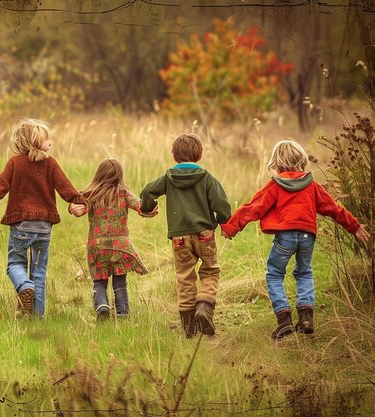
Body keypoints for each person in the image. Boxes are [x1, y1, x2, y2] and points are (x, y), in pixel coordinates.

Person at [220, 140, 370, 340]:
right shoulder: (312, 185)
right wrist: (355, 226)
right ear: (301, 160)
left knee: (274, 274)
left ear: (277, 163)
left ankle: (284, 320)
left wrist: (232, 227)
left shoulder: (276, 185)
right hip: (308, 236)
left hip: (285, 237)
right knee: (304, 272)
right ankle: (306, 317)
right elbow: (334, 208)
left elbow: (253, 207)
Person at [0, 117, 85, 318]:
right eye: (46, 139)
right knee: (39, 272)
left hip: (21, 226)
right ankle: (37, 317)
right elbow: (65, 186)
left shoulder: (14, 163)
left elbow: (0, 186)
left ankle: (24, 286)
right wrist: (77, 200)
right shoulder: (51, 164)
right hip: (43, 228)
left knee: (15, 264)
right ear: (33, 142)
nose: (50, 142)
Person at [140, 133, 231, 338]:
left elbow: (147, 192)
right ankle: (204, 308)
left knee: (185, 276)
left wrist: (148, 208)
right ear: (199, 155)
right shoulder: (207, 178)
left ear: (174, 156)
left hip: (179, 237)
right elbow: (222, 204)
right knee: (210, 271)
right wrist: (225, 222)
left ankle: (189, 327)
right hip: (205, 233)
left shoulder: (168, 177)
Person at [70, 158, 157, 319]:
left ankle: (102, 306)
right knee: (120, 281)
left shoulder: (91, 195)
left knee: (99, 280)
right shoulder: (124, 194)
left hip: (97, 245)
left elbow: (77, 208)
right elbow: (142, 207)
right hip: (121, 245)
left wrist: (72, 207)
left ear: (99, 175)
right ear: (119, 176)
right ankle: (122, 312)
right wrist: (152, 209)